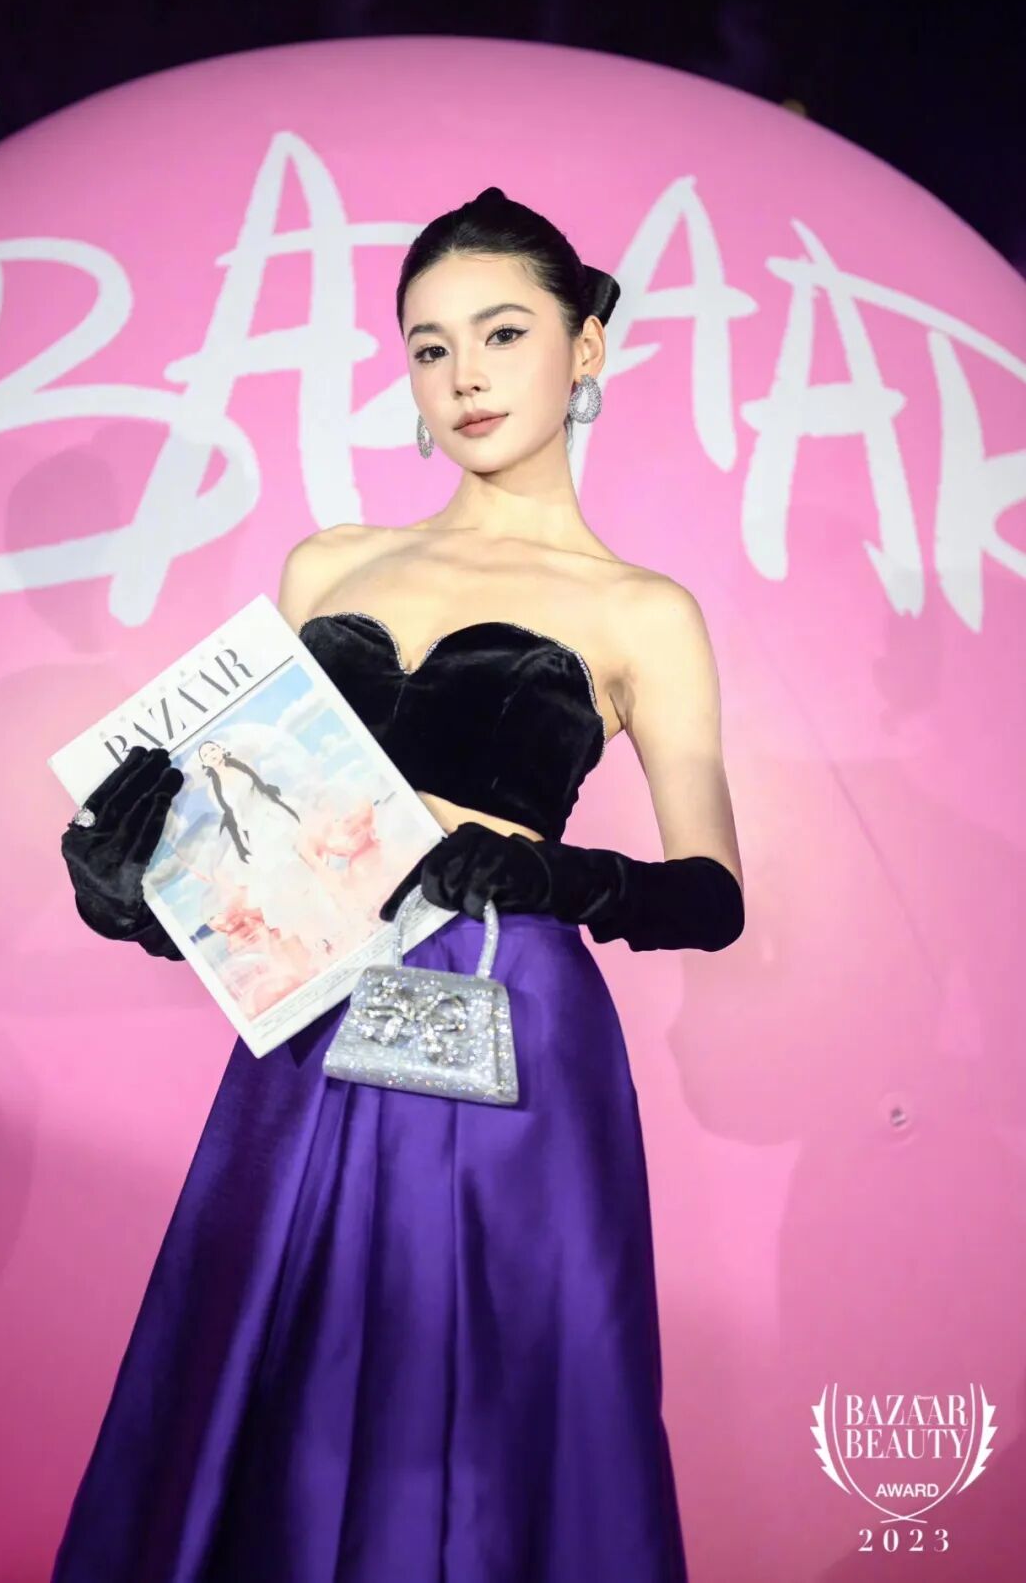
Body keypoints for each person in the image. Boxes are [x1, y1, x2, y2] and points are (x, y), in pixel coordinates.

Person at [53, 185, 744, 1583]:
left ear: (586, 346)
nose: (466, 375)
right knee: (267, 1365)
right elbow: (253, 839)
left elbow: (714, 892)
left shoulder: (642, 610)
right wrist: (137, 890)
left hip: (506, 1021)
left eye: (503, 333)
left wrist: (550, 873)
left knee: (490, 1402)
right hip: (310, 1006)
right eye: (431, 348)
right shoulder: (329, 563)